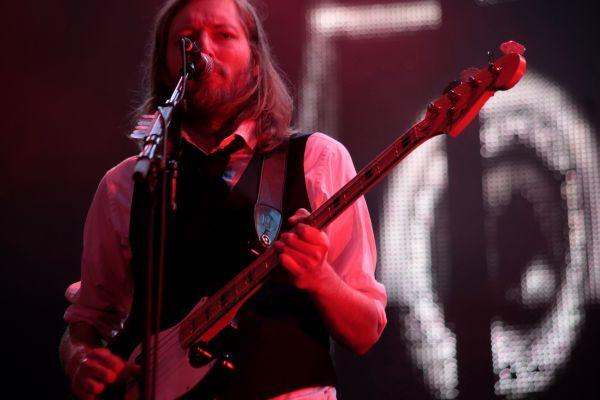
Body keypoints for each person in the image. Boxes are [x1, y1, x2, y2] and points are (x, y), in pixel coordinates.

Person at [59, 0, 387, 399]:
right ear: (166, 67)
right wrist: (81, 360)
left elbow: (366, 331)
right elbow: (87, 321)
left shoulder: (317, 160)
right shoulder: (124, 184)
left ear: (255, 61)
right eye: (185, 39)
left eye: (224, 34)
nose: (203, 48)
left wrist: (320, 277)